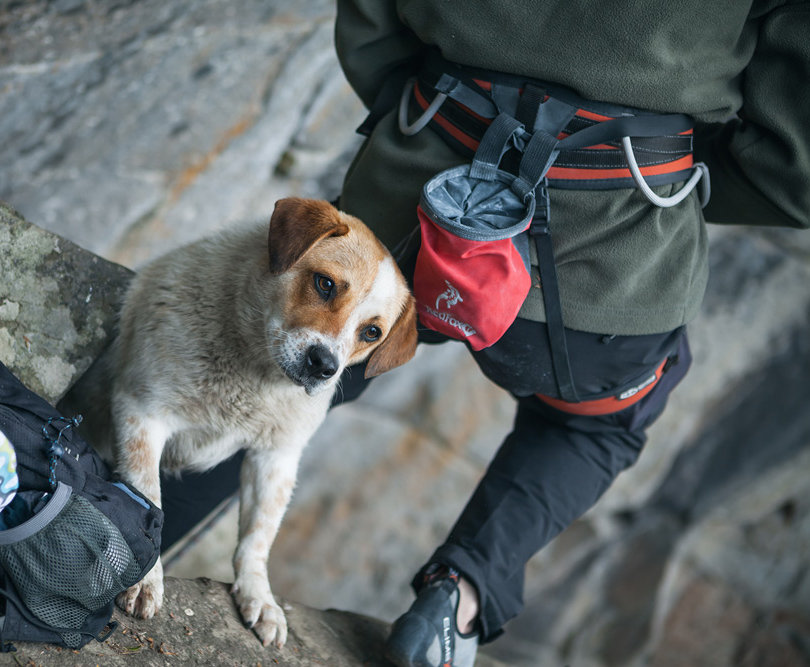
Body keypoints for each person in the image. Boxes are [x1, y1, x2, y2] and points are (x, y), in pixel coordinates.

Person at [329, 1, 810, 665]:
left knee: (292, 365)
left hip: (416, 194)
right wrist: (656, 172)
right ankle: (457, 595)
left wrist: (423, 126)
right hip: (611, 261)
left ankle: (135, 508)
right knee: (591, 426)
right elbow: (795, 172)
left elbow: (371, 23)